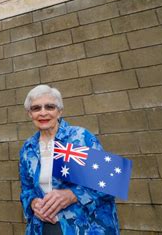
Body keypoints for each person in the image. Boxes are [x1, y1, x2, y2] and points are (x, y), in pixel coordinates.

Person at [19, 85, 119, 234]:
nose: (43, 113)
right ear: (29, 114)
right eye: (36, 108)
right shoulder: (28, 148)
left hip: (85, 227)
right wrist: (33, 203)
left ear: (60, 111)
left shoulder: (78, 138)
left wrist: (72, 195)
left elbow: (110, 181)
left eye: (50, 107)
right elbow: (26, 190)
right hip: (43, 227)